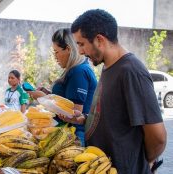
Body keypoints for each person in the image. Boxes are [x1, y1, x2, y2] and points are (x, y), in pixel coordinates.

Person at [71, 9, 167, 173]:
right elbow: (115, 117)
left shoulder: (131, 71)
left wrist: (142, 163)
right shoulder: (108, 66)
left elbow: (158, 138)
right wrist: (85, 119)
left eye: (81, 44)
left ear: (99, 40)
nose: (80, 51)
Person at [28, 28, 97, 146]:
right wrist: (49, 93)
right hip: (68, 132)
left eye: (56, 52)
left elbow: (74, 112)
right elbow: (67, 99)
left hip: (75, 135)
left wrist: (44, 98)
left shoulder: (79, 71)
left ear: (68, 49)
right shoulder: (75, 69)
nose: (55, 57)